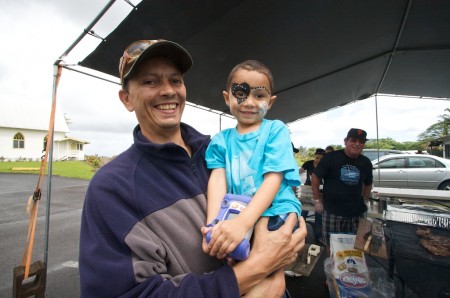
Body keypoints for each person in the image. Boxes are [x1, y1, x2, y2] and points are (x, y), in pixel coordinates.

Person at [79, 39, 307, 298]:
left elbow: (282, 226)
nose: (168, 91)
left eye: (175, 80)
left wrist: (280, 261)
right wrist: (254, 271)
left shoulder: (215, 150)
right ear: (126, 98)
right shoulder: (112, 187)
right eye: (150, 81)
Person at [205, 60, 302, 262]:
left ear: (271, 101)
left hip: (275, 211)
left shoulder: (275, 130)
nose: (249, 102)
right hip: (239, 213)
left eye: (259, 96)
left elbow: (274, 178)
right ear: (227, 97)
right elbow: (217, 181)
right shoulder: (221, 140)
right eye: (241, 94)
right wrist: (214, 223)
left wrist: (243, 224)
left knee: (262, 263)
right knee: (233, 261)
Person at [311, 128, 373, 256]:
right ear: (346, 141)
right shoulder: (331, 158)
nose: (357, 144)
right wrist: (317, 200)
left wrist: (365, 201)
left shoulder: (365, 162)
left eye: (361, 141)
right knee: (331, 244)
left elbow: (368, 183)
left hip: (356, 212)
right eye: (353, 140)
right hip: (332, 211)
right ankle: (332, 275)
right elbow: (315, 177)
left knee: (356, 245)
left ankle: (350, 273)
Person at [299, 148, 325, 242]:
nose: (318, 160)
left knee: (318, 215)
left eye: (321, 158)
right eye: (317, 158)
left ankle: (318, 237)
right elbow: (300, 171)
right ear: (314, 156)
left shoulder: (325, 165)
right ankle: (300, 235)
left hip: (319, 191)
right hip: (307, 190)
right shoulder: (308, 163)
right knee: (303, 213)